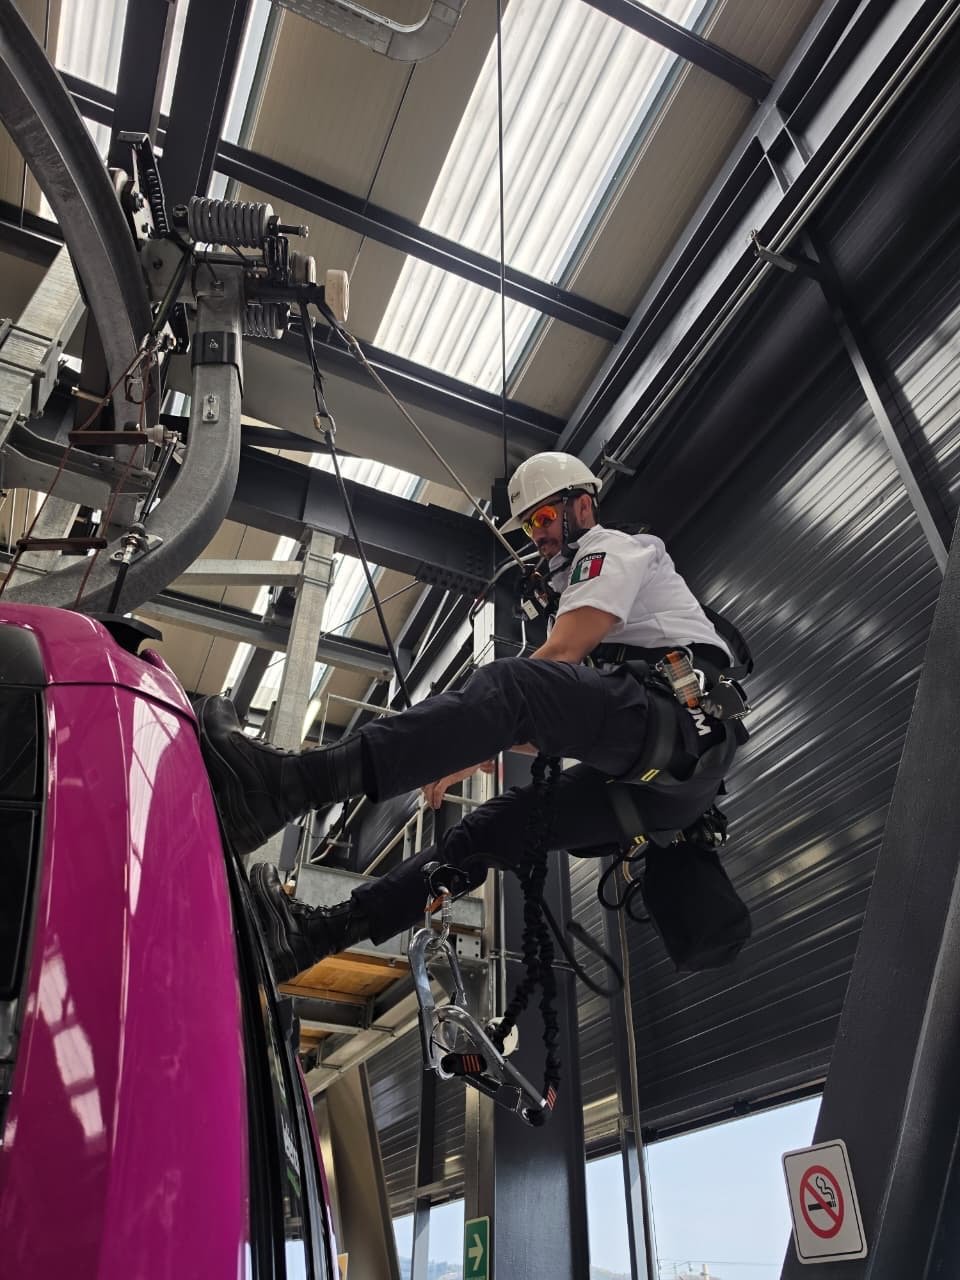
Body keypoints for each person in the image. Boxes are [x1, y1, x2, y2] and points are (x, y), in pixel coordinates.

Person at [199, 451, 742, 981]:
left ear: (583, 506)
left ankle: (288, 787)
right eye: (529, 526)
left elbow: (557, 660)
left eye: (545, 517)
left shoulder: (612, 548)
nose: (537, 534)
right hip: (659, 782)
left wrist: (462, 748)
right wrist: (468, 744)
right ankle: (313, 938)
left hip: (683, 725)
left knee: (513, 682)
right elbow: (550, 717)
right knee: (489, 831)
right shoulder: (585, 597)